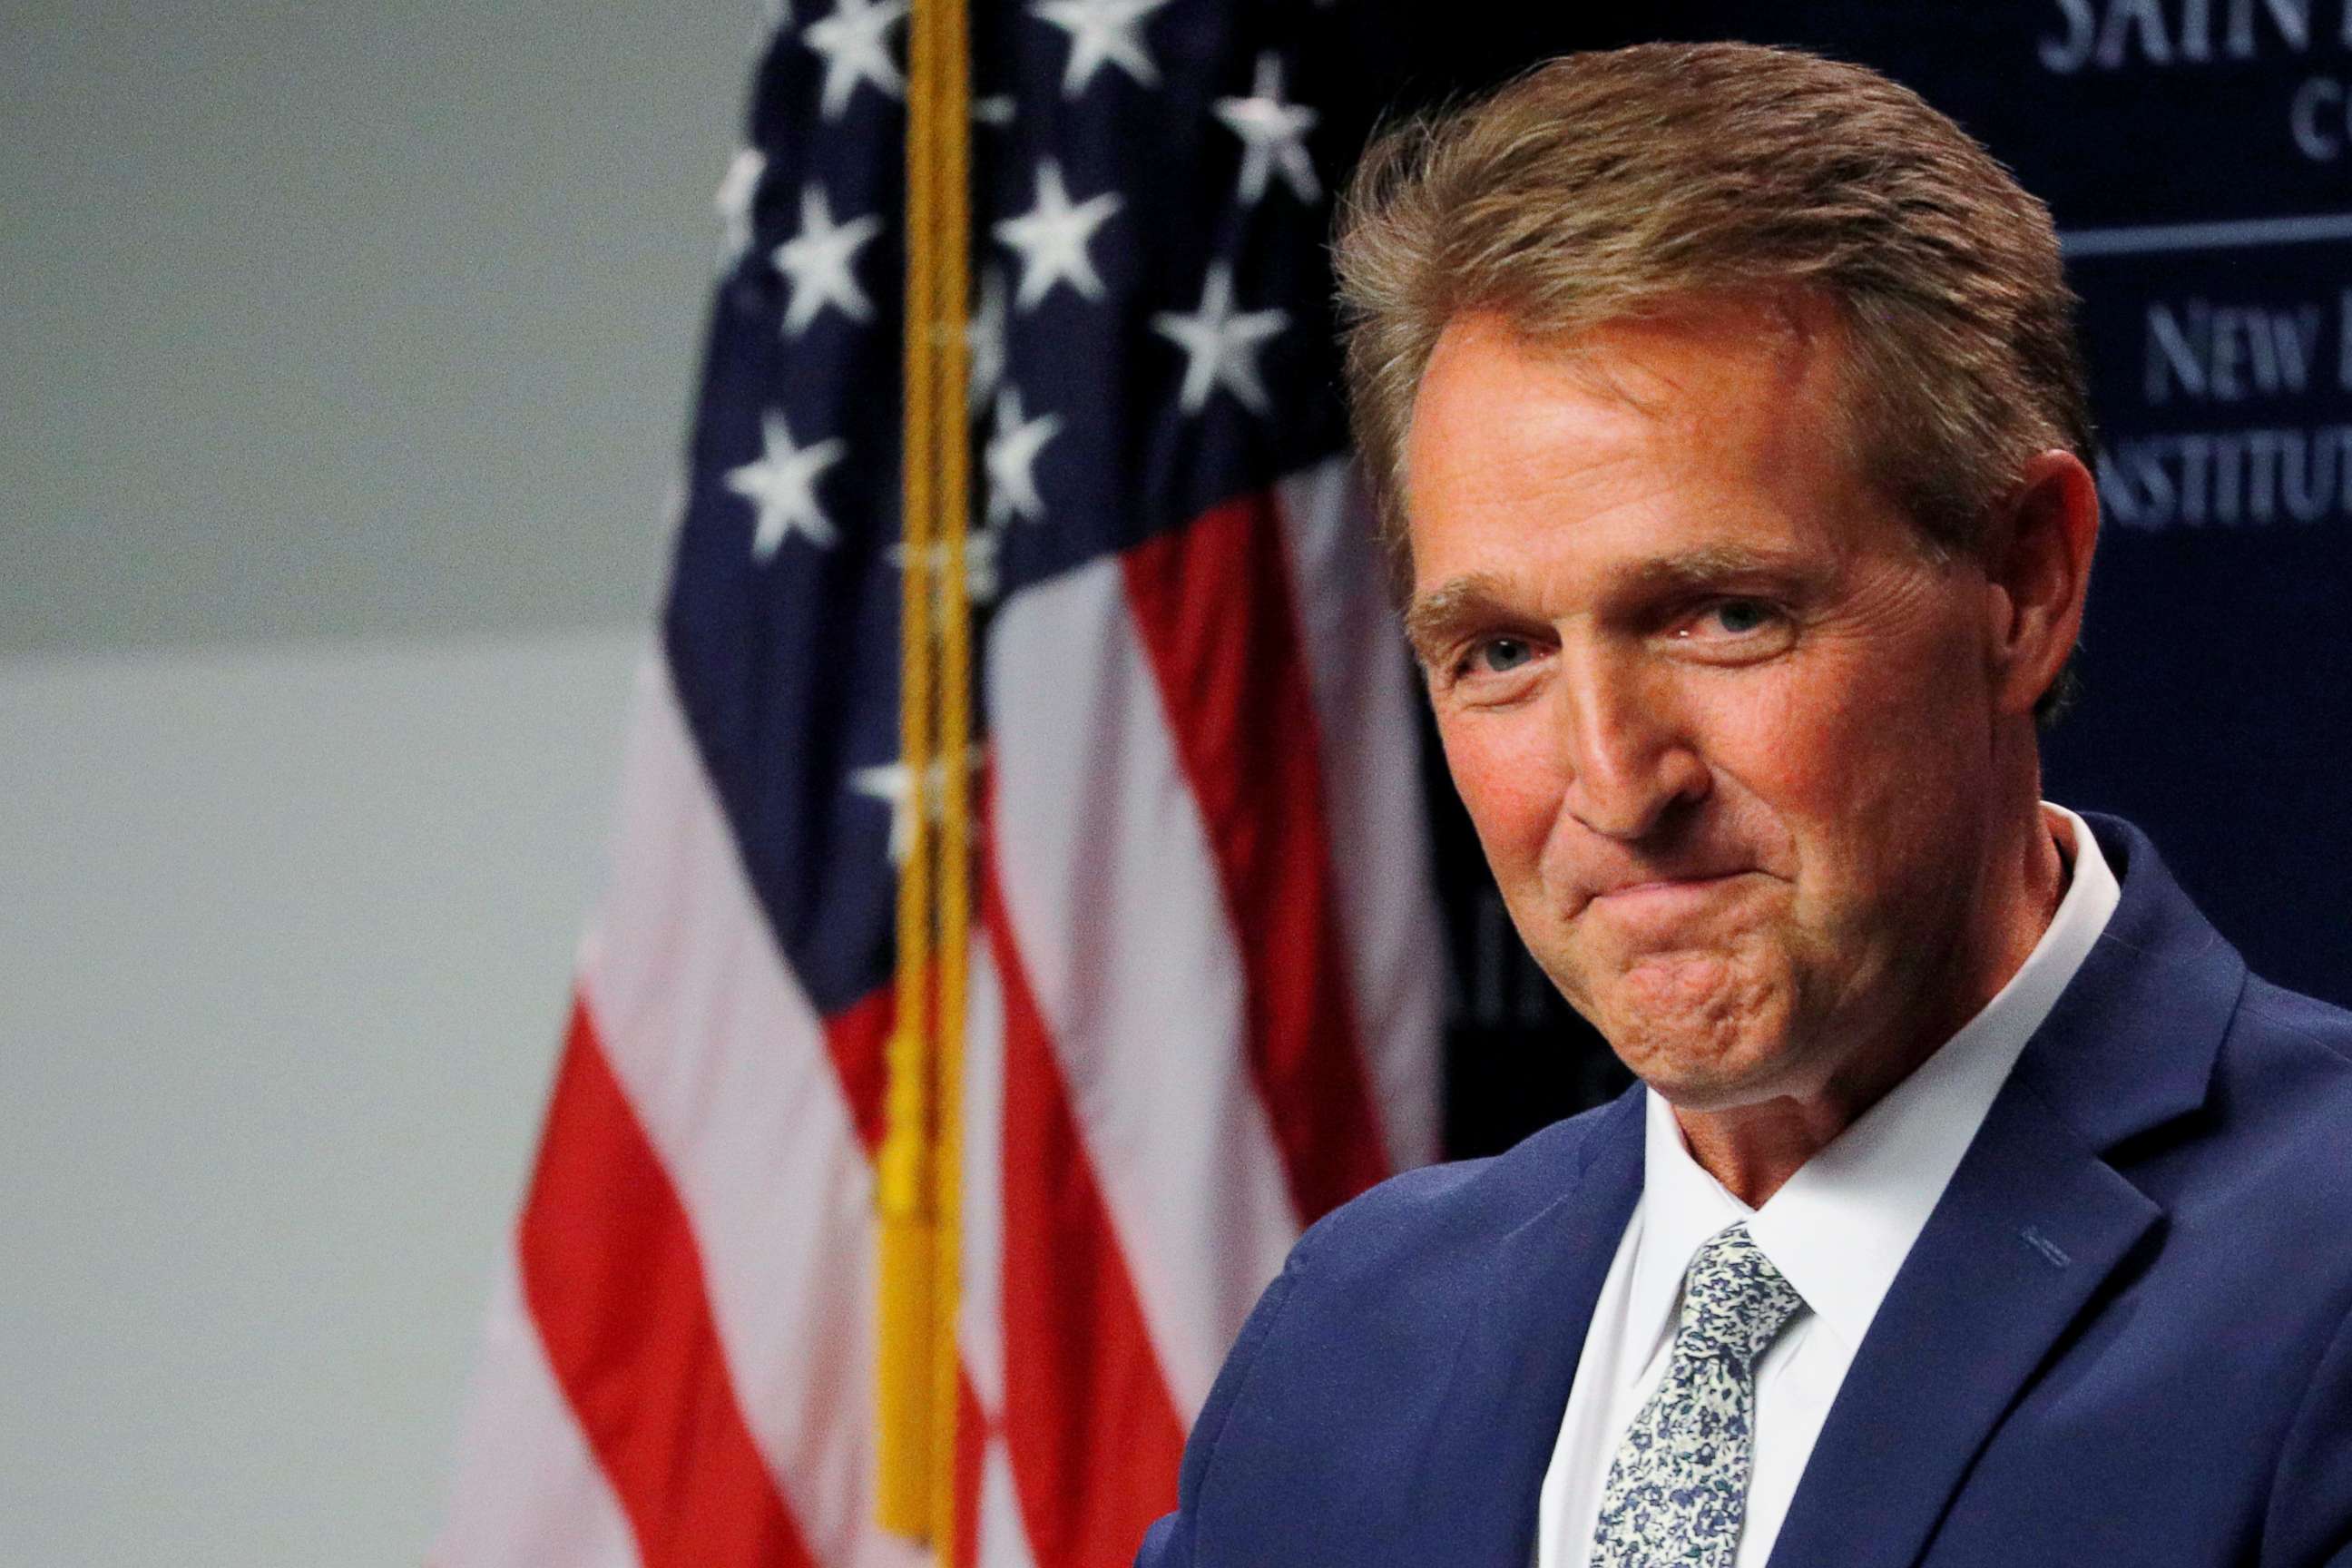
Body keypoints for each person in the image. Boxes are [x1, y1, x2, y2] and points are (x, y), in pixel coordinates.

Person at [1134, 41, 2352, 1568]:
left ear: (2025, 584)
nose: (1616, 781)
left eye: (1720, 615)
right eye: (1501, 652)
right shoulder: (1351, 1339)